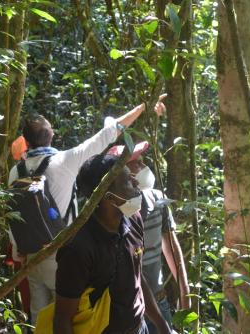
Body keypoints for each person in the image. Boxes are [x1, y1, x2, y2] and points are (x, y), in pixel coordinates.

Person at [8, 97, 166, 323]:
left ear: (26, 141)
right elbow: (107, 134)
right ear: (51, 135)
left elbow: (12, 212)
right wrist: (142, 108)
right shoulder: (64, 161)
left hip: (32, 253)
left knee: (39, 315)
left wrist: (18, 250)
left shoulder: (16, 171)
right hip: (63, 254)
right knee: (68, 315)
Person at [53, 154, 171, 334]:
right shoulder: (77, 248)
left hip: (140, 328)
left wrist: (162, 325)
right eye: (127, 181)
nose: (136, 183)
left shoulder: (133, 220)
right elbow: (62, 318)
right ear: (109, 197)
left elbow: (137, 276)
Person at [109, 142, 190, 333]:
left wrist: (184, 290)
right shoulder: (112, 212)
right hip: (126, 307)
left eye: (142, 161)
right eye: (136, 163)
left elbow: (171, 247)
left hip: (158, 300)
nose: (143, 166)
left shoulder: (158, 200)